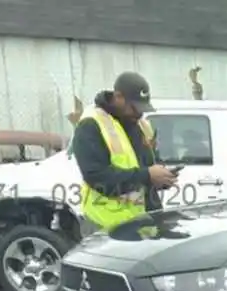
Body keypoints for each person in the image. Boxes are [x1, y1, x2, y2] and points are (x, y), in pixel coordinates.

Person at [72, 71, 178, 231]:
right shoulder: (91, 124)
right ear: (118, 97)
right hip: (106, 227)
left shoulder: (141, 125)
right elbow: (96, 176)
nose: (139, 113)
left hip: (143, 223)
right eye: (134, 107)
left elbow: (147, 166)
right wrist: (147, 175)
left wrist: (161, 178)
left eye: (143, 108)